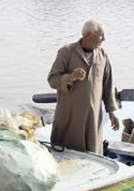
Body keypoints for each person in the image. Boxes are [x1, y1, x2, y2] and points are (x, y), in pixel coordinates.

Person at [47, 19, 119, 155]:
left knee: (92, 155)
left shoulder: (103, 55)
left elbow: (108, 85)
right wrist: (70, 78)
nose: (104, 39)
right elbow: (52, 79)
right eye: (101, 35)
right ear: (88, 35)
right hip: (69, 116)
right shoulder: (66, 52)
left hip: (92, 118)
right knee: (65, 153)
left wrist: (112, 112)